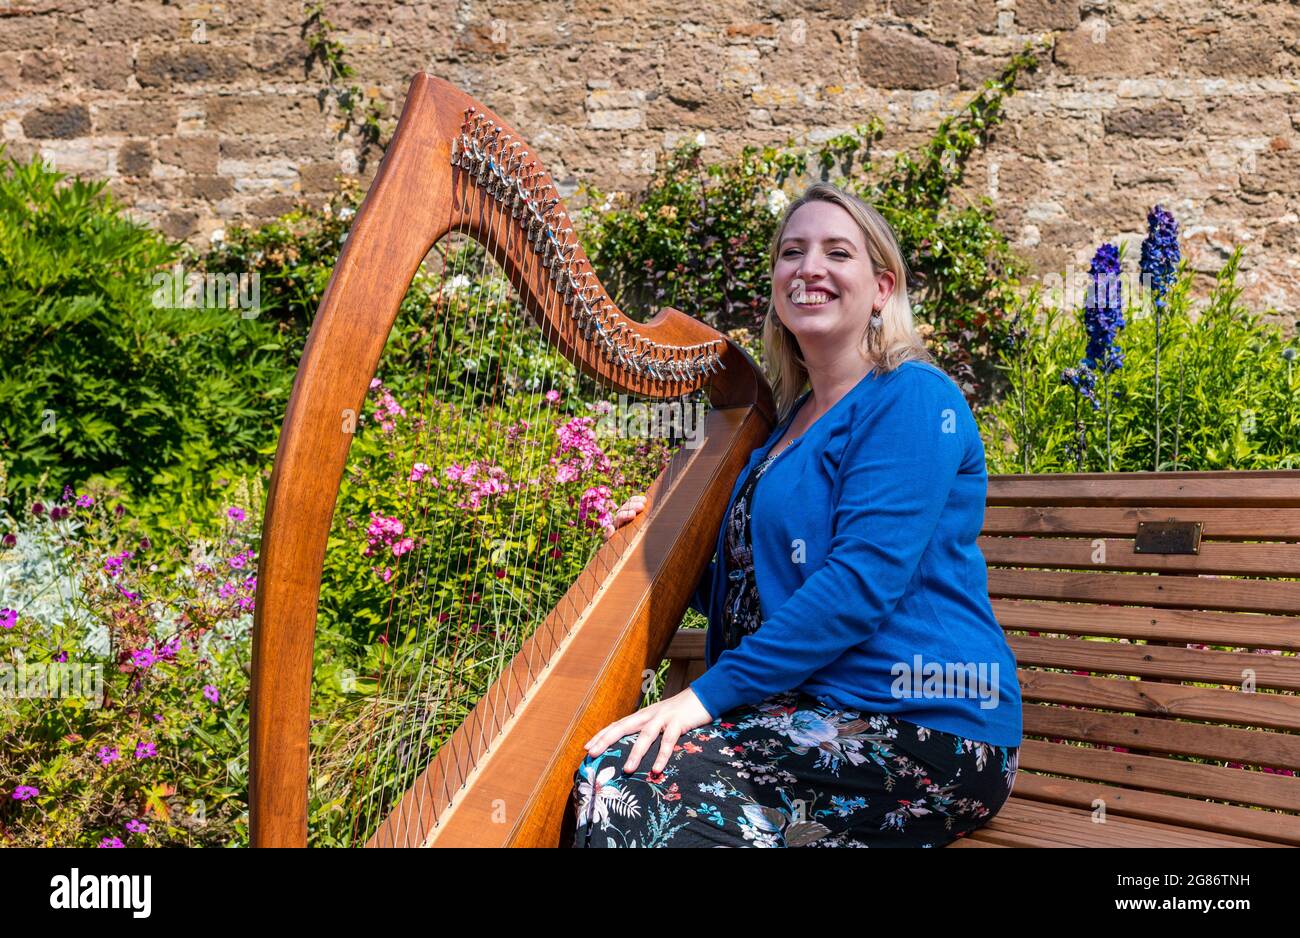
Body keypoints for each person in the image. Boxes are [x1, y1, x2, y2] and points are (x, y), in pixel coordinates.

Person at [571, 182, 1021, 847]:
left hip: (928, 726)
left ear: (882, 289)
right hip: (804, 715)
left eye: (838, 252)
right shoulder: (782, 430)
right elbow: (758, 588)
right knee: (615, 777)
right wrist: (656, 545)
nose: (808, 268)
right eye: (791, 252)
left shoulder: (913, 397)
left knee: (626, 789)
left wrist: (700, 698)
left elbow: (855, 588)